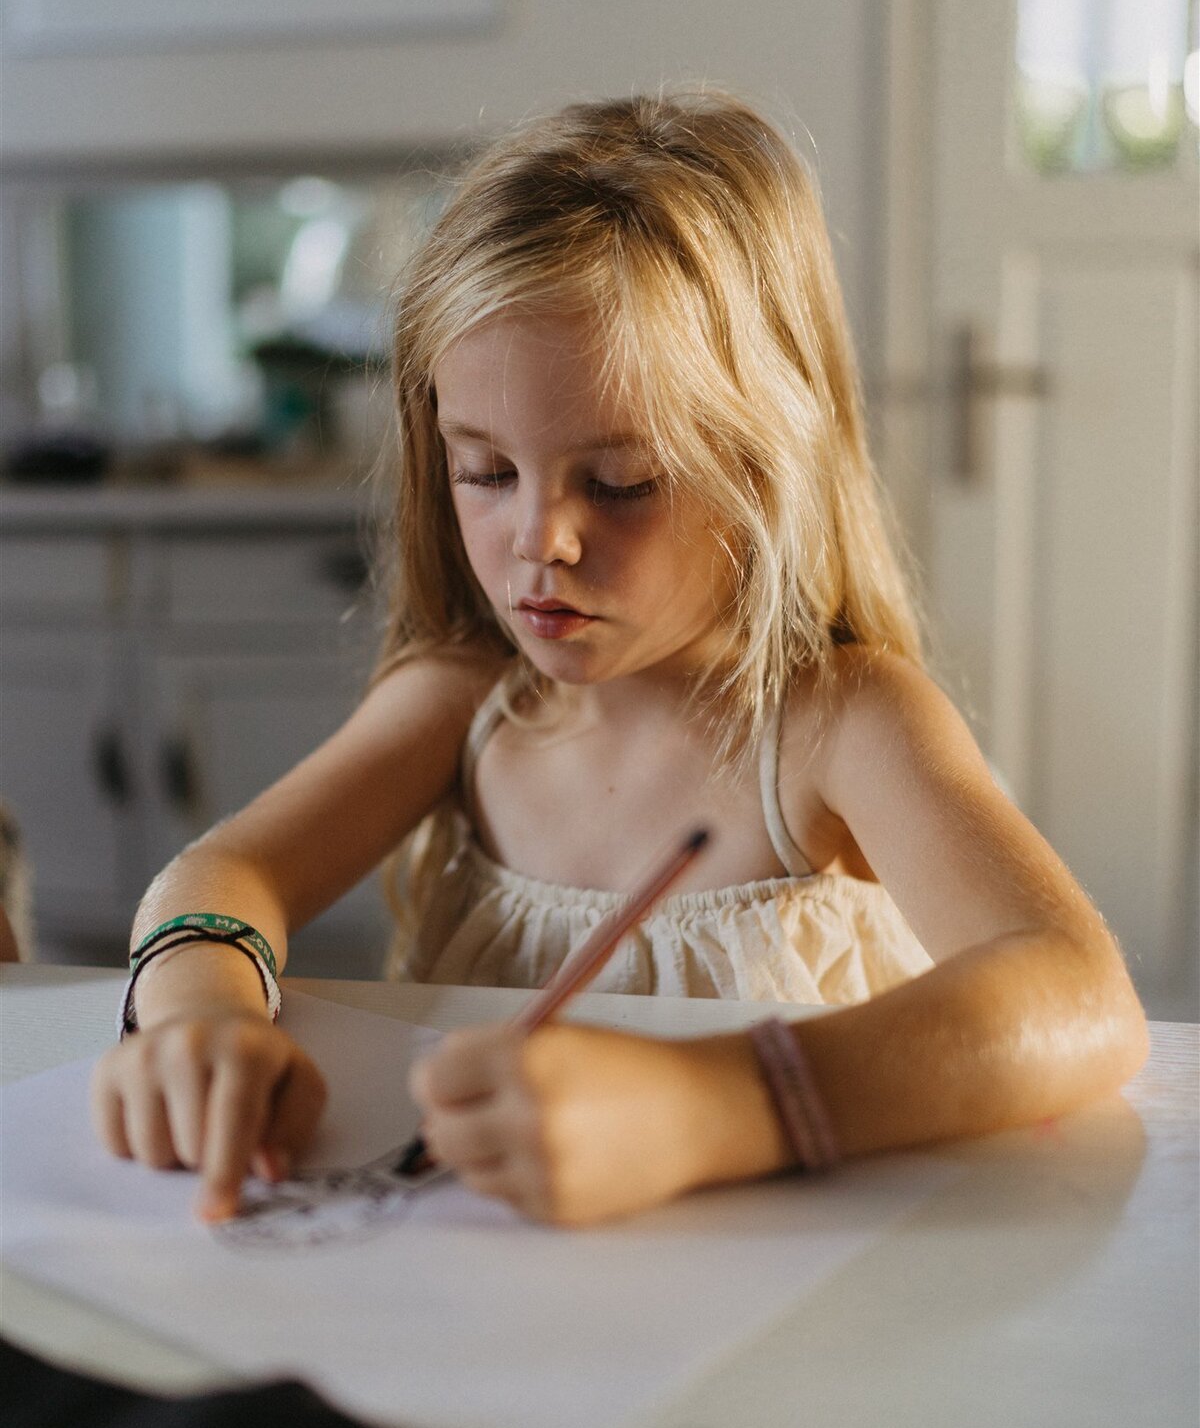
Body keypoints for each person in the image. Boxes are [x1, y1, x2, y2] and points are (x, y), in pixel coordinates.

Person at [90, 90, 1148, 1228]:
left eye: (620, 482)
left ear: (758, 470)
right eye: (485, 472)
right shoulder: (465, 705)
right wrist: (202, 1019)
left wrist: (709, 1106)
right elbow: (219, 877)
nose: (539, 540)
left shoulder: (837, 726)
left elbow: (1079, 997)